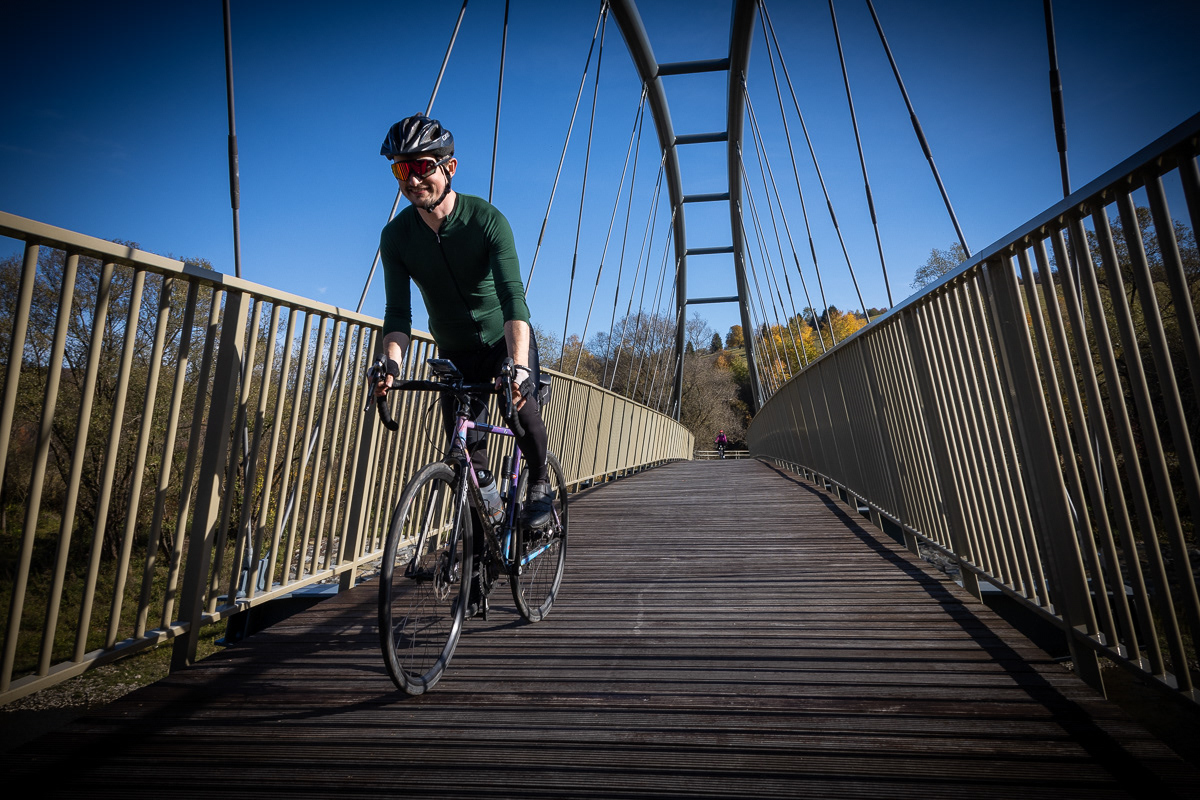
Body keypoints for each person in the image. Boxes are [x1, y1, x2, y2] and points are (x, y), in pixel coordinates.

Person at [372, 113, 553, 535]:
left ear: (449, 167)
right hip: (455, 353)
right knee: (469, 460)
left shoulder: (486, 220)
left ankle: (540, 483)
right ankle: (485, 546)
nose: (413, 180)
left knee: (520, 410)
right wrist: (390, 365)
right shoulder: (396, 237)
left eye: (422, 166)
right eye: (402, 169)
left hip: (502, 344)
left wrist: (519, 367)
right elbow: (398, 314)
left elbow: (513, 300)